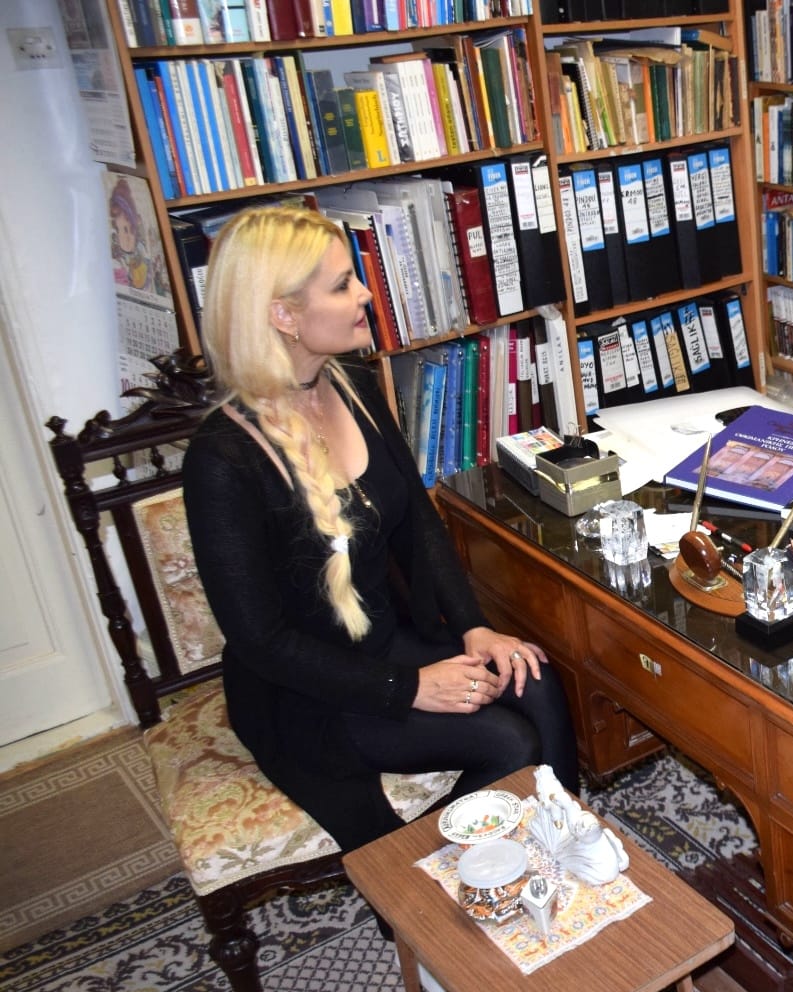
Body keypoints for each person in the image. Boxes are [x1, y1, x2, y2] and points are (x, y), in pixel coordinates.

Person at [183, 205, 581, 854]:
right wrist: (411, 689)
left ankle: (559, 853)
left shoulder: (357, 387)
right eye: (343, 284)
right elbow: (263, 642)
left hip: (386, 643)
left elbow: (418, 526)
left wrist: (473, 627)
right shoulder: (221, 460)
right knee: (508, 743)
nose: (366, 294)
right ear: (283, 315)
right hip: (304, 693)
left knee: (529, 679)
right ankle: (421, 882)